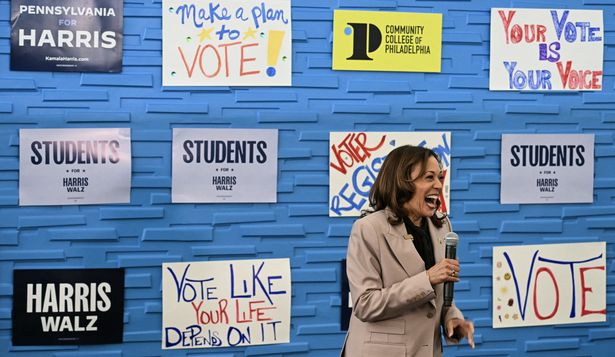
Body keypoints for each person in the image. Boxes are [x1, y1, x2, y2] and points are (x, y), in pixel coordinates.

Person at [341, 145, 475, 357]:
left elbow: (438, 297)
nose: (439, 185)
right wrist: (427, 279)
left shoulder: (442, 226)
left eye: (440, 177)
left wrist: (452, 317)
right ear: (403, 183)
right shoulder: (368, 228)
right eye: (429, 178)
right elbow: (365, 305)